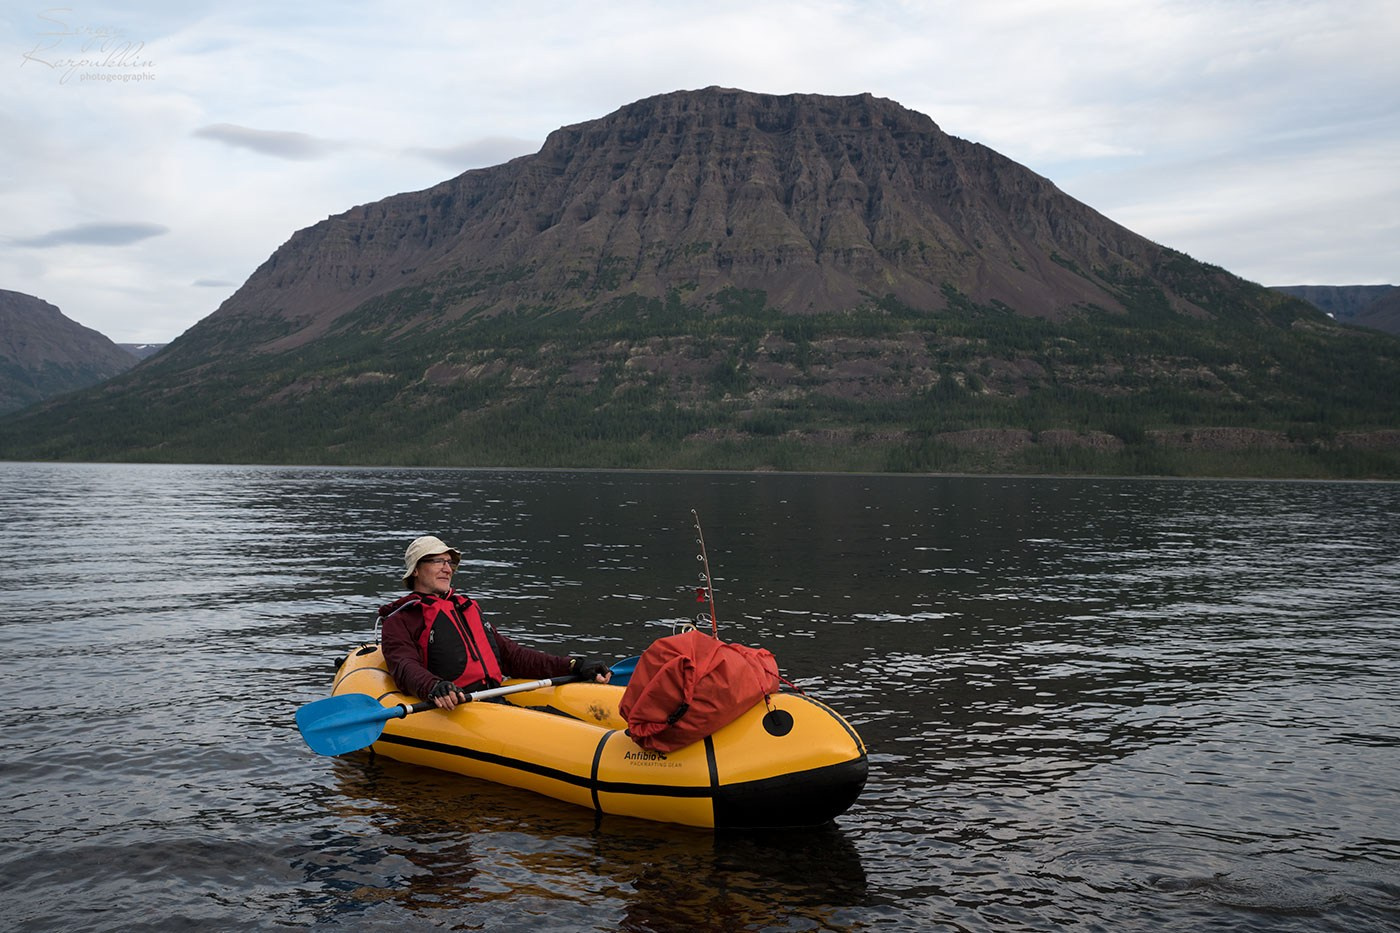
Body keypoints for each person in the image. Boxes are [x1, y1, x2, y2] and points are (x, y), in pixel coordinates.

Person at [379, 535, 612, 710]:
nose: (447, 569)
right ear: (416, 571)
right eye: (437, 561)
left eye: (450, 562)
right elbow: (404, 665)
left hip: (492, 700)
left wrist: (573, 665)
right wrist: (434, 687)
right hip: (459, 706)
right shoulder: (401, 618)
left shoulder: (464, 607)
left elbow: (511, 656)